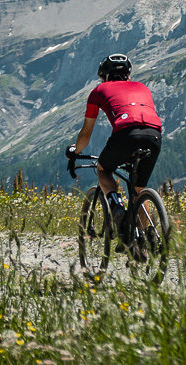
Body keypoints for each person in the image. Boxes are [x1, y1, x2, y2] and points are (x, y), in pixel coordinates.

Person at [66, 53, 163, 249]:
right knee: (138, 190)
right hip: (154, 135)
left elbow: (85, 134)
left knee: (103, 169)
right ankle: (146, 235)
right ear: (128, 75)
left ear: (104, 76)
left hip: (126, 134)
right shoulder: (142, 87)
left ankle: (117, 207)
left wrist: (75, 152)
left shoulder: (98, 91)